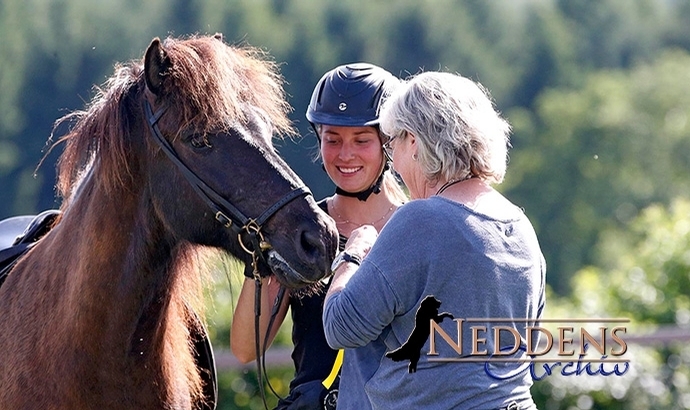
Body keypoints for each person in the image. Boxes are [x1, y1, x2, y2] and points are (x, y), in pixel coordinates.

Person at [322, 71, 546, 409]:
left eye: (392, 142)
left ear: (413, 142)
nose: (393, 161)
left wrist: (351, 256)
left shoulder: (420, 220)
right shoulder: (519, 223)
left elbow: (340, 327)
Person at [230, 63, 407, 409]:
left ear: (389, 143)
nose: (345, 154)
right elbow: (245, 348)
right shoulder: (302, 230)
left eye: (362, 140)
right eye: (333, 139)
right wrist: (261, 259)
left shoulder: (416, 227)